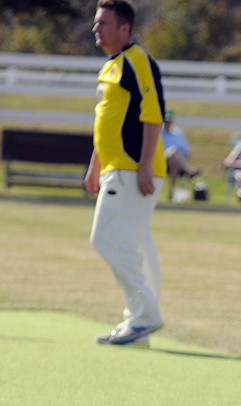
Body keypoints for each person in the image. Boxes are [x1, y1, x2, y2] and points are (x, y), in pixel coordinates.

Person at [85, 0, 165, 347]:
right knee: (132, 245)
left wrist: (145, 165)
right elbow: (108, 120)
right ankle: (138, 327)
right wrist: (95, 165)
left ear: (124, 29)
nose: (95, 29)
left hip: (133, 171)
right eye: (96, 22)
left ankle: (144, 316)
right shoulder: (111, 64)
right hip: (115, 169)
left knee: (106, 239)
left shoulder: (137, 61)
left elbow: (153, 115)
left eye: (103, 23)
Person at [161, 110, 199, 200]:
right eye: (166, 121)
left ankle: (171, 192)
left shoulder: (178, 134)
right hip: (160, 160)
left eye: (169, 121)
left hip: (175, 163)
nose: (167, 124)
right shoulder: (158, 132)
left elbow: (187, 152)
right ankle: (188, 171)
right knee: (172, 151)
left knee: (174, 162)